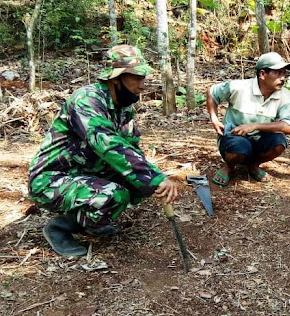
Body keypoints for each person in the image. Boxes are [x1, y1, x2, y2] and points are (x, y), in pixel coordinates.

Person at [28, 45, 181, 257]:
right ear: (115, 78)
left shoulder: (122, 108)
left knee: (138, 186)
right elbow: (108, 144)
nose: (142, 85)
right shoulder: (86, 100)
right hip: (51, 179)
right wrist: (154, 178)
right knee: (114, 194)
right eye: (136, 78)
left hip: (85, 171)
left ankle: (91, 220)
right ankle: (61, 227)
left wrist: (151, 181)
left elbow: (130, 148)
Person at [207, 52, 290, 186]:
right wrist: (214, 118)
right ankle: (229, 167)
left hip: (260, 138)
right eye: (277, 73)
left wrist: (254, 126)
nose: (282, 78)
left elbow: (289, 126)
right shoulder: (240, 87)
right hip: (234, 137)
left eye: (284, 73)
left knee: (279, 143)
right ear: (262, 74)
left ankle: (253, 165)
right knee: (240, 146)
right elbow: (212, 92)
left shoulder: (284, 96)